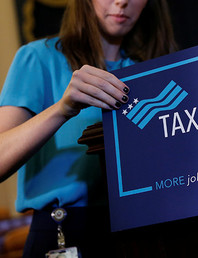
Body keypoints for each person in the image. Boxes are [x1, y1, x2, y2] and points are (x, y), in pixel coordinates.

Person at [0, 0, 176, 256]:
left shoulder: (154, 67)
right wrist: (63, 108)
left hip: (147, 226)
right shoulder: (38, 57)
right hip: (66, 232)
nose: (122, 1)